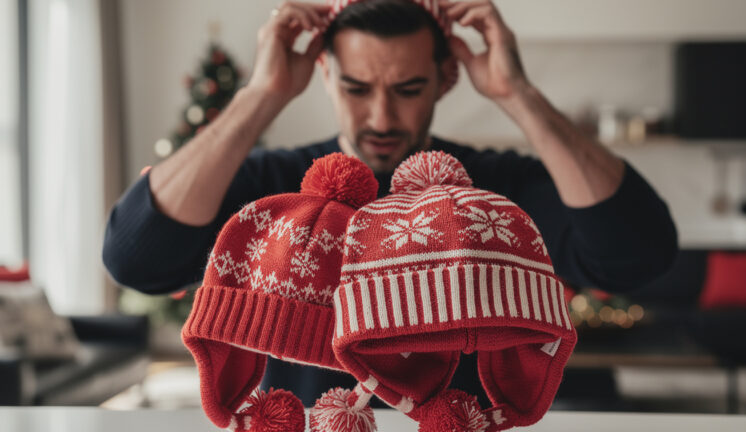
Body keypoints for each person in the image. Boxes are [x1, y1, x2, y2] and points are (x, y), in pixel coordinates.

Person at [103, 0, 677, 406]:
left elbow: (636, 256)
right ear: (324, 71)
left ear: (445, 78)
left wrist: (517, 94)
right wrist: (262, 95)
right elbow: (138, 260)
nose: (380, 118)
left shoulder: (497, 189)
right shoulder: (270, 184)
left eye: (407, 90)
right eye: (356, 88)